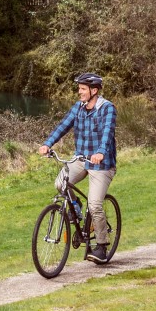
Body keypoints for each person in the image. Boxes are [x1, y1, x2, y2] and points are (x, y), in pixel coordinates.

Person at [38, 72, 117, 264]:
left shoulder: (107, 108)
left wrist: (100, 153)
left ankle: (101, 246)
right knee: (60, 184)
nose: (79, 92)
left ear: (94, 90)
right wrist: (48, 144)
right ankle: (76, 209)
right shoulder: (78, 108)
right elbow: (63, 126)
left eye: (82, 89)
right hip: (81, 159)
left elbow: (107, 134)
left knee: (95, 204)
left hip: (102, 163)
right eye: (79, 89)